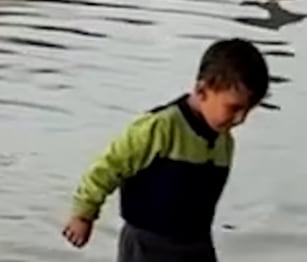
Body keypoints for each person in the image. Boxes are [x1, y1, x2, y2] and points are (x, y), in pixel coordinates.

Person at [62, 38, 271, 262]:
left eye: (248, 110)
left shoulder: (224, 141)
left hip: (196, 243)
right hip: (146, 245)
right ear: (202, 91)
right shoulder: (160, 128)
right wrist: (84, 214)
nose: (241, 119)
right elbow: (108, 167)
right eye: (234, 108)